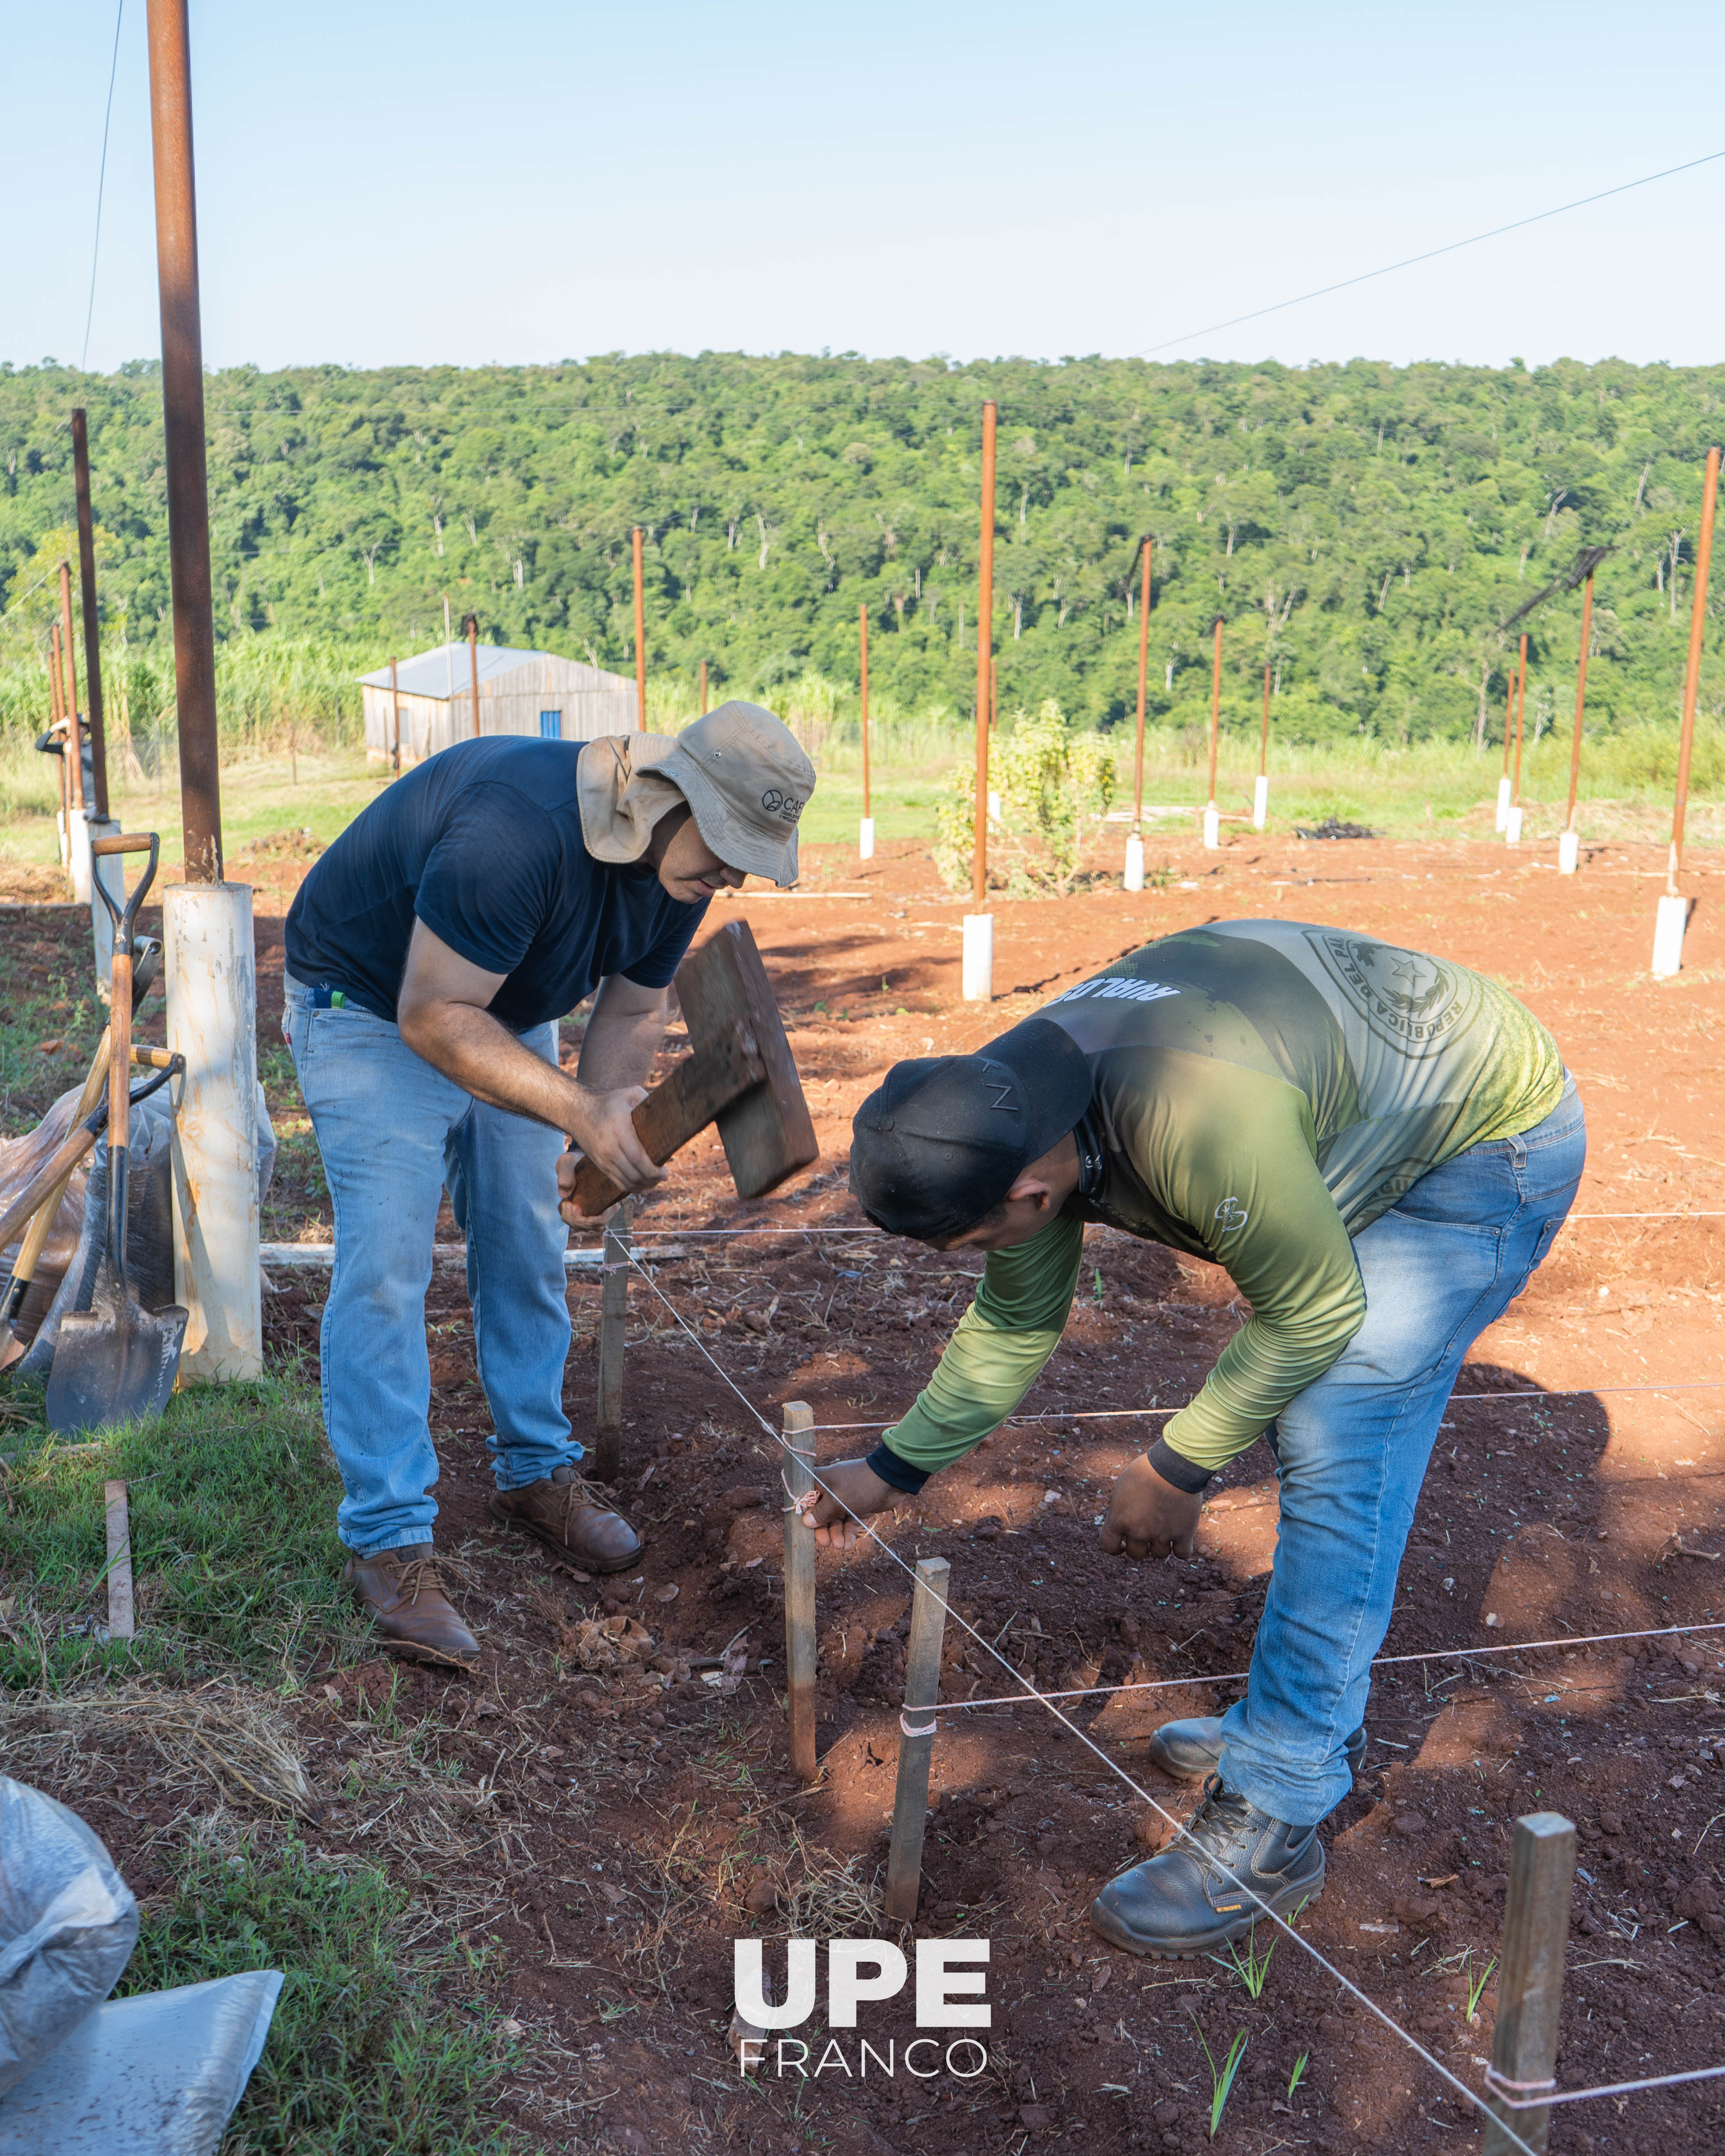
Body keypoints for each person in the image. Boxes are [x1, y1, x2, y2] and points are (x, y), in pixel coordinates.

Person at [805, 921, 1582, 1957]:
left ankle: (1276, 1806)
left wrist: (1176, 1464)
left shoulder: (1194, 1125)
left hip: (1480, 1135)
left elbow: (1311, 1307)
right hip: (1322, 1088)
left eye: (970, 1240)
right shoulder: (1010, 1103)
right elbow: (1016, 1318)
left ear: (1026, 1196)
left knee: (1337, 1426)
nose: (978, 1257)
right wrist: (892, 1468)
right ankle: (1283, 1717)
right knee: (1299, 1397)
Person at [283, 701, 815, 1669]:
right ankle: (390, 1538)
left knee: (528, 1238)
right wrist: (574, 1110)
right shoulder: (513, 833)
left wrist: (604, 1115)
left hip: (499, 1003)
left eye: (750, 852)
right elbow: (434, 1016)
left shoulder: (679, 865)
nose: (732, 873)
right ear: (671, 794)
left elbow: (637, 1000)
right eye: (728, 844)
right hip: (374, 1002)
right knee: (389, 1260)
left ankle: (534, 1470)